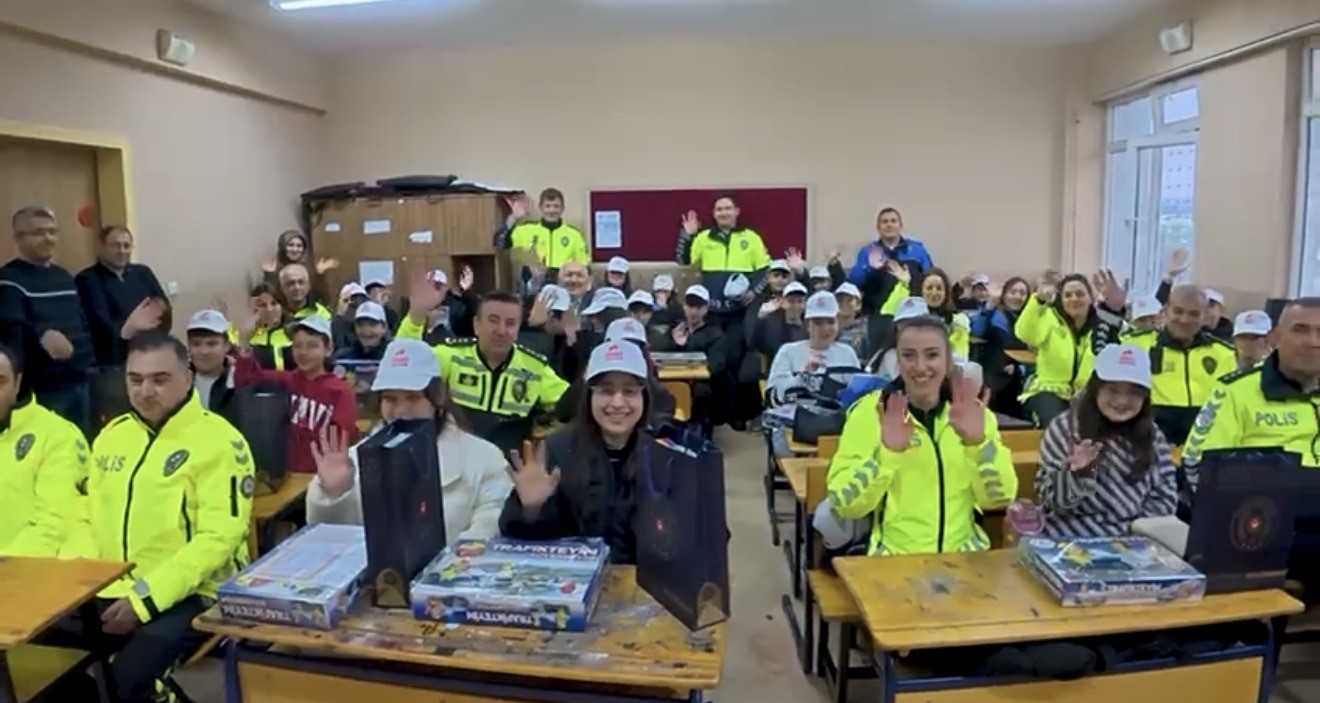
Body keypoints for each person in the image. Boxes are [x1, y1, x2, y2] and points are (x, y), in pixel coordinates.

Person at [53, 331, 252, 703]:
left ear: (187, 378)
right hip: (112, 583)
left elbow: (218, 540)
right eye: (135, 379)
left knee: (127, 681)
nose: (145, 391)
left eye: (159, 380)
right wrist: (83, 575)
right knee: (51, 661)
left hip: (197, 591)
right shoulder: (112, 436)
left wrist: (145, 599)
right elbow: (84, 510)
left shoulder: (221, 442)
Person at [825, 315, 1017, 555]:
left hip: (964, 559)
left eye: (932, 355)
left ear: (948, 359)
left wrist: (977, 444)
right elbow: (845, 504)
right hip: (895, 560)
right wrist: (886, 456)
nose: (920, 366)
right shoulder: (871, 412)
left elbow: (1000, 499)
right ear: (897, 360)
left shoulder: (972, 412)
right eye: (909, 355)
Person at [1182, 298, 1320, 599]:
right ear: (1276, 338)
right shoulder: (1235, 391)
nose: (1313, 342)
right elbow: (1197, 467)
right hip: (1268, 530)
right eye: (1300, 330)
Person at [306, 339, 511, 539]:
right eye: (390, 399)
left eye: (413, 397)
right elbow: (329, 541)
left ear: (437, 397)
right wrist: (334, 495)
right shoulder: (352, 461)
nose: (400, 411)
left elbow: (489, 528)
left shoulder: (485, 459)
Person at [499, 341, 654, 563]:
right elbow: (520, 541)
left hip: (643, 579)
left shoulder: (665, 454)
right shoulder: (557, 449)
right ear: (588, 396)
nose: (617, 403)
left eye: (629, 391)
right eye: (606, 391)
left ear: (644, 397)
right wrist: (531, 510)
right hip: (571, 576)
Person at [399, 274, 571, 454]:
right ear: (476, 325)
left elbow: (573, 405)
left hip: (508, 466)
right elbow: (403, 367)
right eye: (493, 320)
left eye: (510, 323)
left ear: (518, 330)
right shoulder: (451, 357)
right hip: (454, 461)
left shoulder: (534, 369)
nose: (501, 331)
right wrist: (415, 318)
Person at [1035, 344, 1179, 539]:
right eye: (1112, 390)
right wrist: (1078, 475)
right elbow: (1053, 503)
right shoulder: (1064, 429)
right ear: (1096, 388)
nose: (1122, 401)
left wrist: (1134, 535)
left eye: (1134, 392)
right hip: (1069, 537)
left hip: (1134, 538)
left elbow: (1165, 498)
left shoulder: (1153, 436)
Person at [675, 195, 772, 430]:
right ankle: (716, 414)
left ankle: (736, 414)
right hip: (712, 312)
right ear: (714, 213)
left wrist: (753, 292)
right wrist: (687, 235)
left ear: (736, 211)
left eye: (728, 208)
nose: (724, 213)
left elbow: (765, 270)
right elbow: (683, 260)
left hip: (739, 313)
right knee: (715, 364)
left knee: (735, 361)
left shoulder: (750, 237)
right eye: (719, 209)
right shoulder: (704, 237)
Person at [1096, 283, 1236, 445]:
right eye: (1178, 311)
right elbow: (1100, 354)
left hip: (1202, 445)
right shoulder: (1137, 345)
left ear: (1204, 316)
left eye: (1194, 314)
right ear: (1165, 311)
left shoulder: (1225, 354)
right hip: (1148, 442)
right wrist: (1112, 311)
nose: (1184, 320)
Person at [0, 206, 97, 430]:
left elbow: (82, 322)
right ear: (18, 238)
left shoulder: (64, 276)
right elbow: (11, 332)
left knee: (82, 442)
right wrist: (40, 338)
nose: (48, 238)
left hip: (81, 382)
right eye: (38, 232)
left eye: (52, 232)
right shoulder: (8, 280)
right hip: (43, 391)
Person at [234, 316, 357, 474]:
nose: (304, 352)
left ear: (328, 349)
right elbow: (246, 379)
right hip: (288, 476)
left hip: (323, 477)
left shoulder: (340, 392)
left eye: (312, 346)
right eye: (298, 346)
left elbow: (344, 440)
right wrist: (244, 340)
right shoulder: (288, 380)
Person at [0, 343, 91, 558]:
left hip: (30, 571)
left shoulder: (58, 435)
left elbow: (54, 525)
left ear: (17, 383)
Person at [1015, 272, 1111, 427]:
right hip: (1048, 391)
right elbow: (1024, 333)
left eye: (1080, 294)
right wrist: (1038, 300)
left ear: (1091, 298)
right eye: (1068, 295)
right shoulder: (1050, 317)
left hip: (1087, 395)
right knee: (1060, 426)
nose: (1074, 299)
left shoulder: (1102, 327)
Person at [74, 225, 171, 367]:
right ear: (101, 247)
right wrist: (130, 327)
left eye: (126, 246)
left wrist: (144, 326)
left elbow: (163, 307)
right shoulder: (88, 279)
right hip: (112, 359)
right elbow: (100, 322)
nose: (122, 251)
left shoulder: (142, 273)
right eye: (116, 245)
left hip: (150, 349)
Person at [846, 206, 934, 332]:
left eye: (893, 221)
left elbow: (930, 280)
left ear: (900, 226)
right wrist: (868, 267)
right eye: (885, 222)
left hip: (912, 315)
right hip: (877, 316)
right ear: (878, 227)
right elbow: (854, 284)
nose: (889, 225)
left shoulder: (917, 250)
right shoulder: (868, 251)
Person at [654, 285, 727, 432]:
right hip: (673, 382)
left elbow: (716, 365)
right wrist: (674, 343)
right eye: (690, 306)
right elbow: (660, 357)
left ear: (706, 309)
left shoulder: (715, 334)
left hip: (701, 387)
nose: (693, 311)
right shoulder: (674, 330)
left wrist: (689, 347)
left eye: (698, 307)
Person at [766, 291, 860, 405]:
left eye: (830, 322)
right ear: (807, 325)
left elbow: (858, 396)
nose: (825, 328)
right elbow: (773, 397)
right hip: (798, 414)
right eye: (818, 323)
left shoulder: (847, 353)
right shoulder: (788, 351)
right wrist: (803, 377)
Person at [494, 189, 590, 278]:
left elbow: (584, 266)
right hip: (534, 282)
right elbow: (499, 243)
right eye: (547, 206)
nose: (552, 210)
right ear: (541, 208)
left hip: (564, 283)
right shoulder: (527, 230)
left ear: (562, 209)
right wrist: (513, 218)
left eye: (556, 206)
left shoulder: (574, 234)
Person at [881, 265, 971, 360]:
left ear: (946, 293)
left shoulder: (957, 322)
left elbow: (961, 357)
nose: (934, 292)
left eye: (939, 288)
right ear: (922, 291)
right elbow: (887, 313)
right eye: (929, 288)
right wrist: (904, 285)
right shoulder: (911, 316)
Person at [975, 276, 1031, 417]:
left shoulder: (1032, 319)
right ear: (1004, 295)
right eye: (1013, 292)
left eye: (1022, 293)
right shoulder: (994, 315)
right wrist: (987, 309)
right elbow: (977, 332)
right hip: (993, 377)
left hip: (1020, 380)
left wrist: (1018, 368)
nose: (1017, 297)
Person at [261, 228, 337, 303]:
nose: (295, 249)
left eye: (299, 246)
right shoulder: (275, 268)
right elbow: (271, 298)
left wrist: (319, 274)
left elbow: (321, 297)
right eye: (291, 245)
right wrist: (270, 275)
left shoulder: (307, 269)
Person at [185, 309, 236, 416]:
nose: (204, 351)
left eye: (212, 344)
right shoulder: (178, 383)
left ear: (227, 346)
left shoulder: (240, 382)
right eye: (196, 344)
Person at [235, 282, 293, 370]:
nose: (269, 309)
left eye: (274, 303)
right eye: (263, 305)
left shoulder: (294, 330)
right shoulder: (244, 333)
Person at [834, 282, 868, 357]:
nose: (844, 303)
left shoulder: (866, 329)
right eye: (840, 300)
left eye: (849, 300)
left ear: (858, 304)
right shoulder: (828, 327)